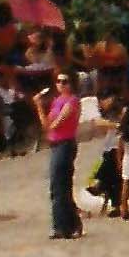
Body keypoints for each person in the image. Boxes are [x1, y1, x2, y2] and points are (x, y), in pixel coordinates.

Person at [42, 74, 87, 240]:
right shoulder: (56, 101)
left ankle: (66, 226)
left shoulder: (72, 101)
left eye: (65, 81)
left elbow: (56, 123)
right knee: (57, 187)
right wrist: (38, 106)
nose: (61, 84)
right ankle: (64, 225)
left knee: (61, 186)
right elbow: (46, 125)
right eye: (58, 81)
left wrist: (51, 124)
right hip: (56, 144)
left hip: (65, 144)